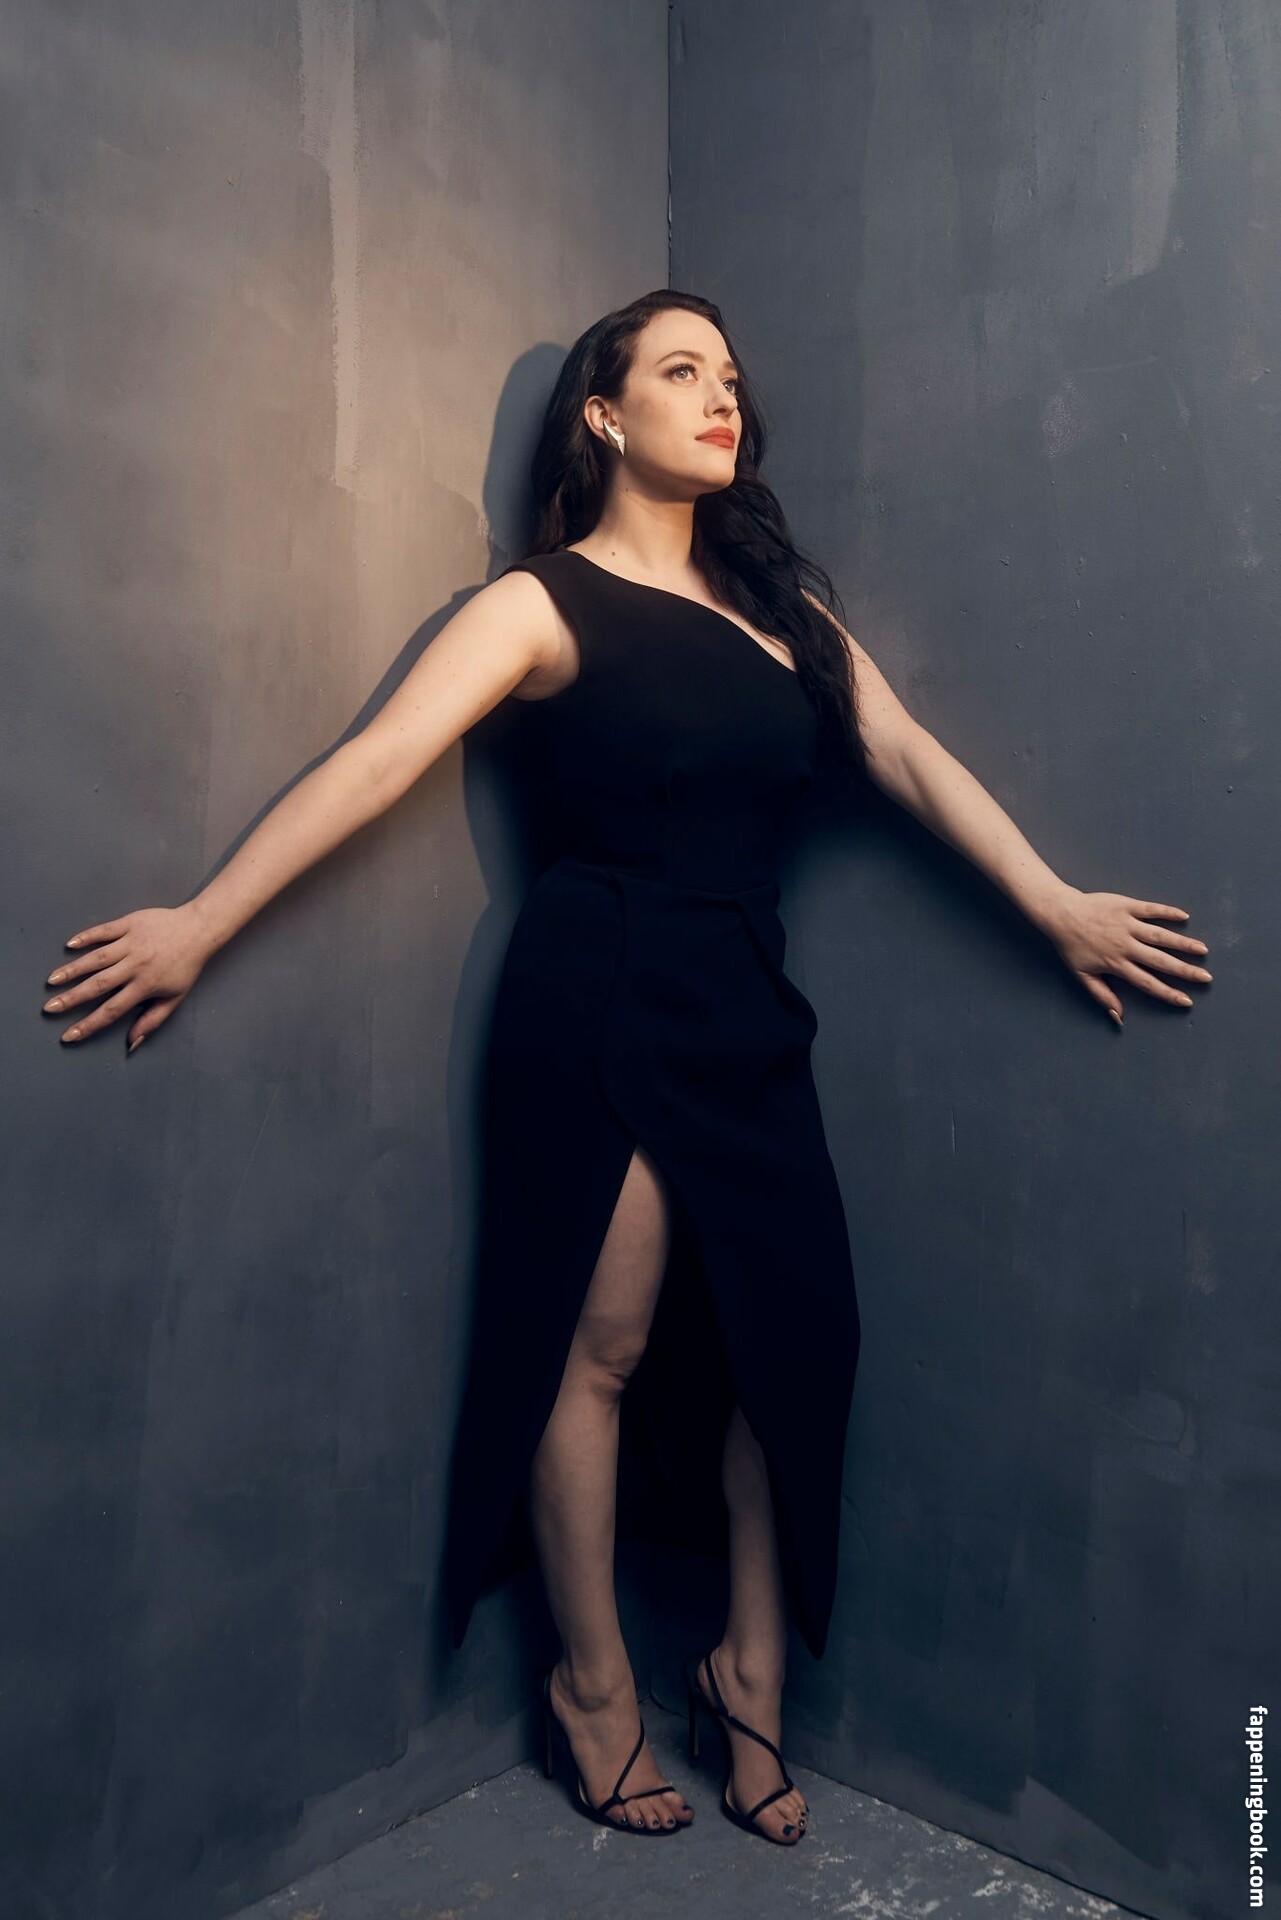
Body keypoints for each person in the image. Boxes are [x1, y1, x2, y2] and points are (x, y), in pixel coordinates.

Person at [41, 290, 1211, 1848]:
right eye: (680, 371)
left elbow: (907, 755)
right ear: (602, 414)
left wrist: (1054, 905)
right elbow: (378, 761)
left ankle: (742, 1669)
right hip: (598, 991)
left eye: (728, 376)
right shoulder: (538, 607)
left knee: (787, 1344)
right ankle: (593, 1687)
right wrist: (199, 923)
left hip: (742, 999)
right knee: (597, 1349)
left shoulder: (779, 611)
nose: (721, 397)